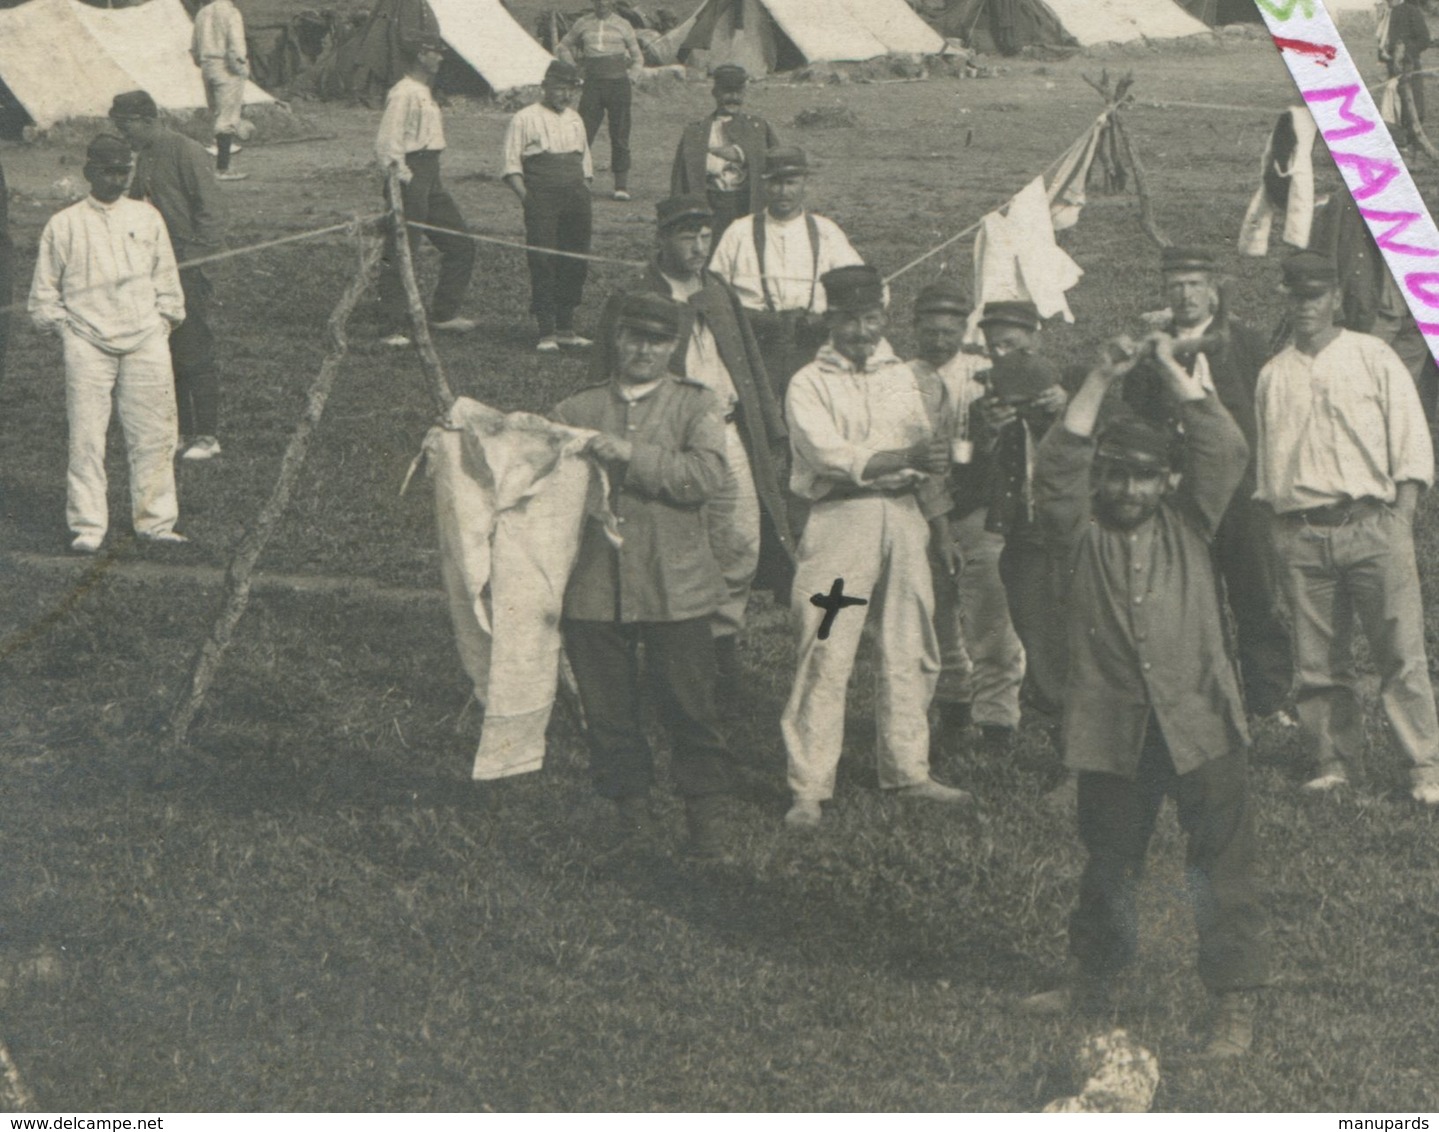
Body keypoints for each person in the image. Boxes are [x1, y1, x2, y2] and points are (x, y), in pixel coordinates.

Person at [1021, 331, 1269, 1062]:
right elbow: (1056, 472)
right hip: (1111, 730)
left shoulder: (1190, 524)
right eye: (1116, 476)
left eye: (1143, 478)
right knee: (1108, 861)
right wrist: (1099, 377)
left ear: (1167, 481)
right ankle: (1094, 981)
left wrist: (1166, 365)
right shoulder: (1077, 534)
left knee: (1220, 865)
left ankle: (1233, 1005)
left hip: (1201, 723)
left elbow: (1223, 448)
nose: (1128, 490)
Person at [781, 265, 972, 828]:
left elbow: (926, 452)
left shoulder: (902, 376)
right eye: (848, 320)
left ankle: (909, 770)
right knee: (825, 643)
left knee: (911, 642)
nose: (861, 331)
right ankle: (809, 787)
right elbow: (827, 455)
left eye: (870, 319)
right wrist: (899, 459)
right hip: (843, 519)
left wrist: (939, 528)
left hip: (906, 518)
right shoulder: (809, 382)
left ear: (884, 318)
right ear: (829, 320)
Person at [551, 292, 736, 859]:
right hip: (593, 585)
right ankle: (629, 819)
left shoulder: (695, 406)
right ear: (616, 339)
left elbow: (706, 477)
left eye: (657, 341)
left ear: (673, 346)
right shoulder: (574, 410)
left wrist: (632, 455)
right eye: (634, 337)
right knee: (608, 711)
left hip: (672, 583)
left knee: (689, 706)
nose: (643, 350)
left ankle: (707, 822)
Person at [594, 194, 795, 702]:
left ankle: (720, 659)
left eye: (706, 237)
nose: (699, 247)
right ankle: (670, 669)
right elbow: (607, 375)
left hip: (725, 432)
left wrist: (765, 425)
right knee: (674, 548)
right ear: (661, 238)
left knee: (740, 540)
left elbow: (746, 361)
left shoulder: (718, 291)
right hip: (667, 443)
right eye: (687, 236)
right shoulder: (637, 296)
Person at [1255, 251, 1439, 806]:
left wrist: (1400, 520)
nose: (1305, 306)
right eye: (1295, 295)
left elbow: (1410, 444)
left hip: (1372, 525)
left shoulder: (1372, 356)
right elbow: (1269, 472)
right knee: (1318, 661)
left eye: (1315, 295)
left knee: (1401, 655)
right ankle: (1333, 762)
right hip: (1303, 534)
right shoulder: (1273, 374)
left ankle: (1424, 768)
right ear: (1285, 299)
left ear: (1335, 298)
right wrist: (1282, 537)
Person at [1124, 246, 1293, 721]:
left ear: (1213, 288)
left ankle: (1270, 699)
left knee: (1255, 592)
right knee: (1193, 597)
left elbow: (1269, 414)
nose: (1186, 295)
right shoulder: (1151, 350)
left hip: (1240, 488)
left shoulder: (1243, 341)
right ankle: (1209, 697)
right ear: (1164, 291)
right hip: (1180, 491)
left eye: (1195, 284)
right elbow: (1136, 418)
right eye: (1175, 285)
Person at [28, 135, 188, 554]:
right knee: (86, 436)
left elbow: (167, 281)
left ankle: (155, 522)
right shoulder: (64, 225)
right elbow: (43, 297)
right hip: (86, 341)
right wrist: (67, 330)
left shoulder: (147, 217)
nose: (116, 180)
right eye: (108, 171)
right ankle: (88, 525)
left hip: (146, 338)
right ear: (88, 173)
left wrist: (162, 322)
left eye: (124, 172)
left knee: (154, 433)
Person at [908, 282, 1025, 761]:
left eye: (949, 331)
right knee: (936, 622)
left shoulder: (983, 372)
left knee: (992, 623)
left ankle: (998, 725)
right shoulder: (899, 377)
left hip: (978, 510)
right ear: (914, 329)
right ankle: (954, 712)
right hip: (919, 511)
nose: (939, 341)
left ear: (964, 330)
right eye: (930, 331)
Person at [109, 90, 228, 462]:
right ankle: (179, 431)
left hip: (186, 267)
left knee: (194, 346)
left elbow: (212, 211)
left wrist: (195, 260)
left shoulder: (185, 150)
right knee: (165, 350)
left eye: (126, 125)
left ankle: (207, 435)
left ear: (146, 120)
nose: (123, 134)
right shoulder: (142, 156)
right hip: (155, 270)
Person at [973, 300, 1069, 750]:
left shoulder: (1076, 388)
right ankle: (1063, 741)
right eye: (993, 348)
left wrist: (1067, 408)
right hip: (1024, 535)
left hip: (1074, 538)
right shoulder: (990, 404)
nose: (1002, 357)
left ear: (1036, 341)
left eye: (1011, 345)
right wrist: (989, 433)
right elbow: (969, 474)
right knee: (1038, 639)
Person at [708, 146, 864, 399]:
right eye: (776, 183)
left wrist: (829, 318)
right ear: (764, 185)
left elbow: (866, 290)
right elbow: (713, 294)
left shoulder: (826, 232)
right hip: (757, 347)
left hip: (812, 345)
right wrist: (751, 319)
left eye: (791, 183)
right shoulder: (739, 232)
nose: (783, 192)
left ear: (805, 184)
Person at [374, 34, 477, 348]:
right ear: (421, 55)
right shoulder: (403, 93)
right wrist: (404, 181)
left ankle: (443, 314)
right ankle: (391, 325)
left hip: (432, 175)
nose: (440, 59)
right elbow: (387, 144)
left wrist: (426, 181)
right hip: (410, 174)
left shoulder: (425, 92)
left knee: (461, 244)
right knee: (403, 250)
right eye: (436, 53)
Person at [503, 60, 595, 354]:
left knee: (575, 257)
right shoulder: (524, 118)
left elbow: (585, 163)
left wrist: (583, 192)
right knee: (544, 259)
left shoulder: (575, 119)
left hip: (576, 197)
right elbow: (511, 166)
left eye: (571, 90)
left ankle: (567, 327)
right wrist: (528, 199)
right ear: (545, 87)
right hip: (541, 197)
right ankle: (546, 330)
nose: (565, 96)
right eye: (559, 88)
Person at [669, 64, 779, 238]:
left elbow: (775, 164)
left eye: (738, 92)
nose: (733, 98)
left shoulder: (759, 128)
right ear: (715, 92)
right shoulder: (695, 132)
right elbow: (680, 181)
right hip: (711, 207)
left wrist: (740, 153)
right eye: (727, 92)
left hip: (747, 206)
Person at [556, 0, 643, 201]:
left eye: (606, 1)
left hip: (618, 86)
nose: (602, 4)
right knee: (583, 132)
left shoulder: (623, 24)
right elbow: (563, 47)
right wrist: (574, 72)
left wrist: (632, 77)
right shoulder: (583, 23)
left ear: (612, 3)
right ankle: (579, 181)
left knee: (620, 133)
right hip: (593, 86)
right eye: (598, 1)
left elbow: (638, 57)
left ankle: (621, 186)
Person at [190, 0, 252, 180]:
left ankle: (213, 166)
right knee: (227, 117)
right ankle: (223, 168)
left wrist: (202, 62)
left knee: (216, 113)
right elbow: (236, 46)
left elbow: (194, 47)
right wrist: (242, 70)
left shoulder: (202, 13)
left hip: (207, 66)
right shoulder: (231, 12)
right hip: (226, 67)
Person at [1382, 0, 1431, 157]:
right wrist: (1385, 55)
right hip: (1393, 68)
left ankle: (1413, 144)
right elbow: (1384, 41)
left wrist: (1405, 52)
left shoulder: (1411, 11)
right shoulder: (1387, 14)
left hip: (1409, 68)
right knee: (1394, 104)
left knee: (1412, 105)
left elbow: (1424, 39)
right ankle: (1400, 143)